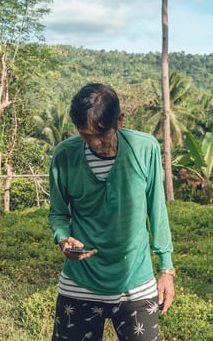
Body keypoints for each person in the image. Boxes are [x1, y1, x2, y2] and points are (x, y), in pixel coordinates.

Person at [48, 83, 175, 341]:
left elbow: (157, 210)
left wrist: (166, 269)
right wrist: (63, 239)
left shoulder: (144, 148)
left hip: (136, 285)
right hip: (79, 286)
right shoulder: (65, 155)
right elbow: (58, 214)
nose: (95, 143)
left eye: (101, 134)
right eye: (85, 135)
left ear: (120, 120)